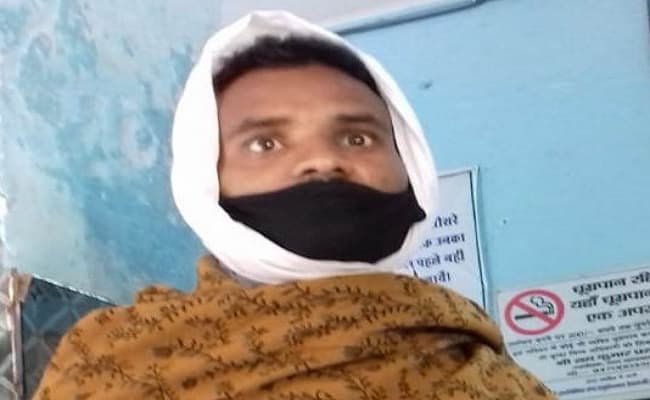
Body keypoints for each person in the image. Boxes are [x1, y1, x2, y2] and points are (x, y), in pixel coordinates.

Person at [34, 11, 555, 400]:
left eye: (357, 138)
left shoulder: (486, 376)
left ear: (411, 169)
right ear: (203, 179)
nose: (323, 161)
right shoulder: (111, 358)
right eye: (265, 143)